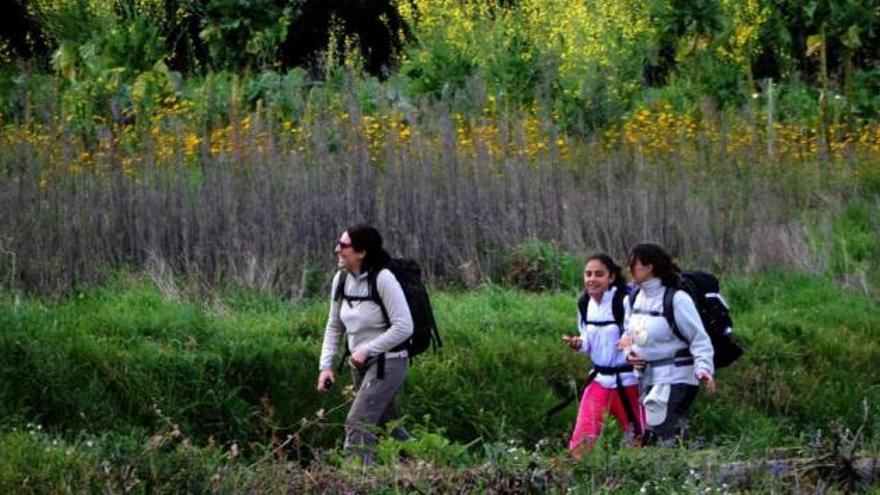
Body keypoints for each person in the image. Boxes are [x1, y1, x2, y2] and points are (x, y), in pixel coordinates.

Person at [316, 224, 413, 464]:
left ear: (361, 252)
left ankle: (356, 483)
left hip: (389, 363)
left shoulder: (383, 278)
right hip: (359, 365)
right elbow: (334, 325)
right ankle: (426, 466)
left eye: (344, 245)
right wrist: (326, 366)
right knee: (388, 426)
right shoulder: (340, 279)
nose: (337, 249)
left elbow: (404, 327)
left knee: (357, 423)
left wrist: (368, 349)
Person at [618, 243, 715, 445]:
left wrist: (704, 368)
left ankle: (682, 469)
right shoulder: (633, 298)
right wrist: (629, 354)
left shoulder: (677, 300)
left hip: (678, 375)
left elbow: (699, 338)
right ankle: (688, 467)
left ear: (649, 267)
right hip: (647, 377)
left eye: (634, 265)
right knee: (659, 432)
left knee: (662, 427)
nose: (629, 269)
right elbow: (628, 333)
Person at [562, 253, 644, 457]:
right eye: (588, 274)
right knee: (581, 442)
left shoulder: (623, 301)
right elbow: (588, 341)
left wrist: (629, 351)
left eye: (599, 274)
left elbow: (636, 333)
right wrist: (578, 343)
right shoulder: (584, 304)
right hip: (599, 380)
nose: (592, 279)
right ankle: (578, 478)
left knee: (641, 441)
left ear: (611, 277)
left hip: (628, 382)